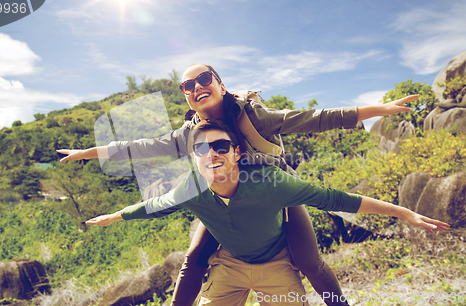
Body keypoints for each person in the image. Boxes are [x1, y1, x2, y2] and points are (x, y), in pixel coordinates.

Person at [57, 63, 419, 306]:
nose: (197, 87)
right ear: (184, 95)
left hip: (274, 194)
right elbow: (143, 148)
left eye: (204, 80)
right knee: (194, 258)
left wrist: (380, 109)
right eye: (188, 85)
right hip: (223, 199)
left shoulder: (253, 116)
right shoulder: (188, 134)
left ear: (219, 84)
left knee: (308, 261)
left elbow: (314, 119)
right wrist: (89, 152)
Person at [85, 119, 449, 306]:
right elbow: (152, 207)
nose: (212, 154)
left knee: (314, 265)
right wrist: (113, 216)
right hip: (228, 266)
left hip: (276, 265)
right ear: (192, 157)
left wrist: (403, 212)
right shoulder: (189, 188)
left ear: (237, 152)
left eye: (221, 146)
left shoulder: (272, 182)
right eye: (201, 148)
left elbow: (337, 198)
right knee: (193, 261)